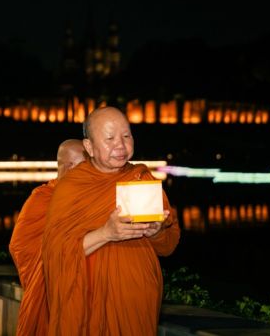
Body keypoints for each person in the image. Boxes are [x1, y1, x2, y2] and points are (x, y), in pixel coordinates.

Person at [42, 106, 180, 335]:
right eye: (109, 138)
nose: (121, 145)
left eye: (127, 136)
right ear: (89, 147)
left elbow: (167, 246)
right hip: (87, 299)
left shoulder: (141, 179)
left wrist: (155, 232)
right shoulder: (72, 186)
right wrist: (106, 233)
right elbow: (54, 252)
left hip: (136, 299)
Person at [9, 139, 86, 335]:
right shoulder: (44, 197)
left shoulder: (88, 197)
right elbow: (19, 245)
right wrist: (41, 275)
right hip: (49, 287)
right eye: (85, 165)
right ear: (68, 166)